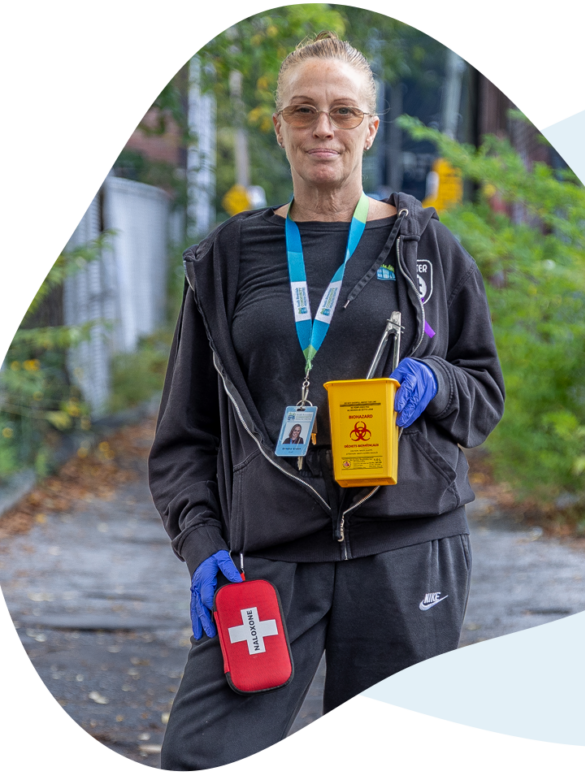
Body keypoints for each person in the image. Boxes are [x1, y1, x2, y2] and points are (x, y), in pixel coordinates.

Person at [148, 32, 504, 770]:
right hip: (270, 558)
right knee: (200, 753)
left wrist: (436, 381)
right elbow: (185, 437)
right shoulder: (225, 257)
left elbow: (485, 393)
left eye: (344, 112)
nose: (323, 128)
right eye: (303, 110)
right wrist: (203, 544)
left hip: (409, 549)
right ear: (277, 126)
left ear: (370, 128)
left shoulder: (428, 250)